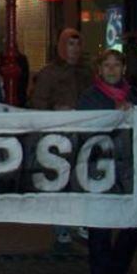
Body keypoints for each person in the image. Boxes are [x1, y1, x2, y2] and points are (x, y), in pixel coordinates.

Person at [77, 49, 137, 274]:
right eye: (107, 65)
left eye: (117, 65)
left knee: (136, 222)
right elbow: (85, 129)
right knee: (101, 226)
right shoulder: (90, 97)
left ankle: (119, 265)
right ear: (99, 70)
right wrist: (115, 116)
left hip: (129, 168)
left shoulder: (135, 95)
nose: (112, 70)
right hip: (100, 168)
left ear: (124, 69)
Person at [30, 28, 93, 245]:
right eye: (70, 45)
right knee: (62, 180)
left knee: (82, 179)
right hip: (59, 135)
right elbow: (37, 102)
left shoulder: (87, 72)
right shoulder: (50, 73)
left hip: (83, 133)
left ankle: (80, 221)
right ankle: (61, 226)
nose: (74, 50)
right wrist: (55, 110)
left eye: (77, 45)